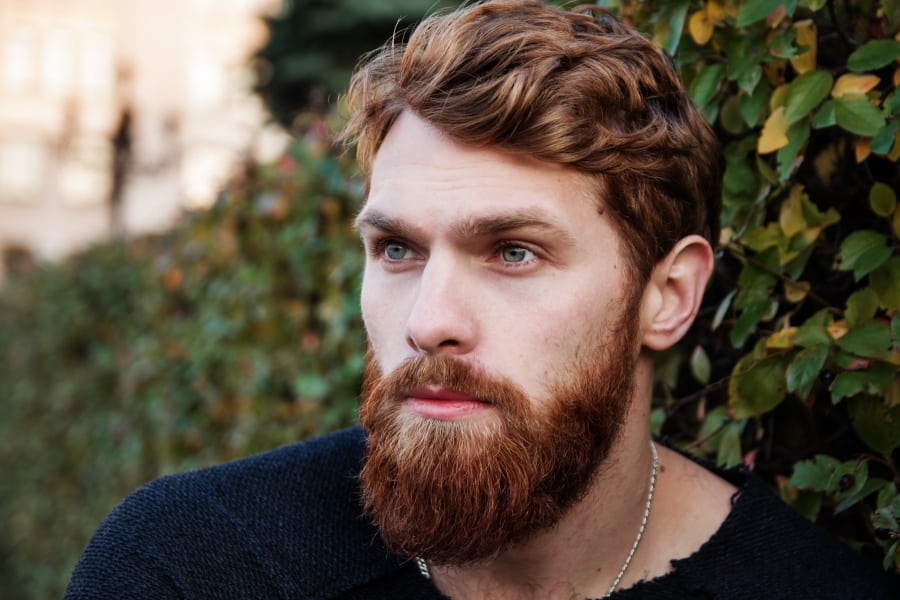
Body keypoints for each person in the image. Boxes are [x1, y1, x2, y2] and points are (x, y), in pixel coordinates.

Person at [66, 1, 897, 598]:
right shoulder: (195, 566)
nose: (429, 322)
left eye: (513, 252)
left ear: (668, 295)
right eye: (396, 248)